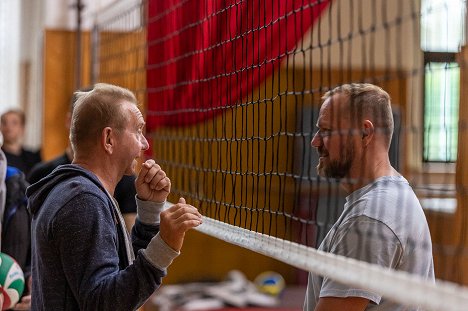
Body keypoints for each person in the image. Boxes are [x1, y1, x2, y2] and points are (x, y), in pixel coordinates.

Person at [26, 83, 202, 310]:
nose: (145, 143)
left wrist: (149, 212)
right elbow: (105, 303)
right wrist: (165, 246)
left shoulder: (77, 191)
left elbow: (121, 272)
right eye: (138, 130)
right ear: (109, 139)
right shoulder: (83, 201)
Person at [304, 83, 434, 311]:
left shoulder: (369, 218)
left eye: (326, 131)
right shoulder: (393, 195)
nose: (315, 141)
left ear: (365, 133)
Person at [28, 88, 138, 231]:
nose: (143, 144)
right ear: (70, 120)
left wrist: (150, 213)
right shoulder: (43, 174)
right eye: (85, 119)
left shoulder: (125, 178)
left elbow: (129, 246)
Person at [0, 109, 42, 176]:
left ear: (22, 128)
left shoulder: (34, 158)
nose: (9, 127)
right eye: (4, 122)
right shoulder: (1, 157)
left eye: (14, 123)